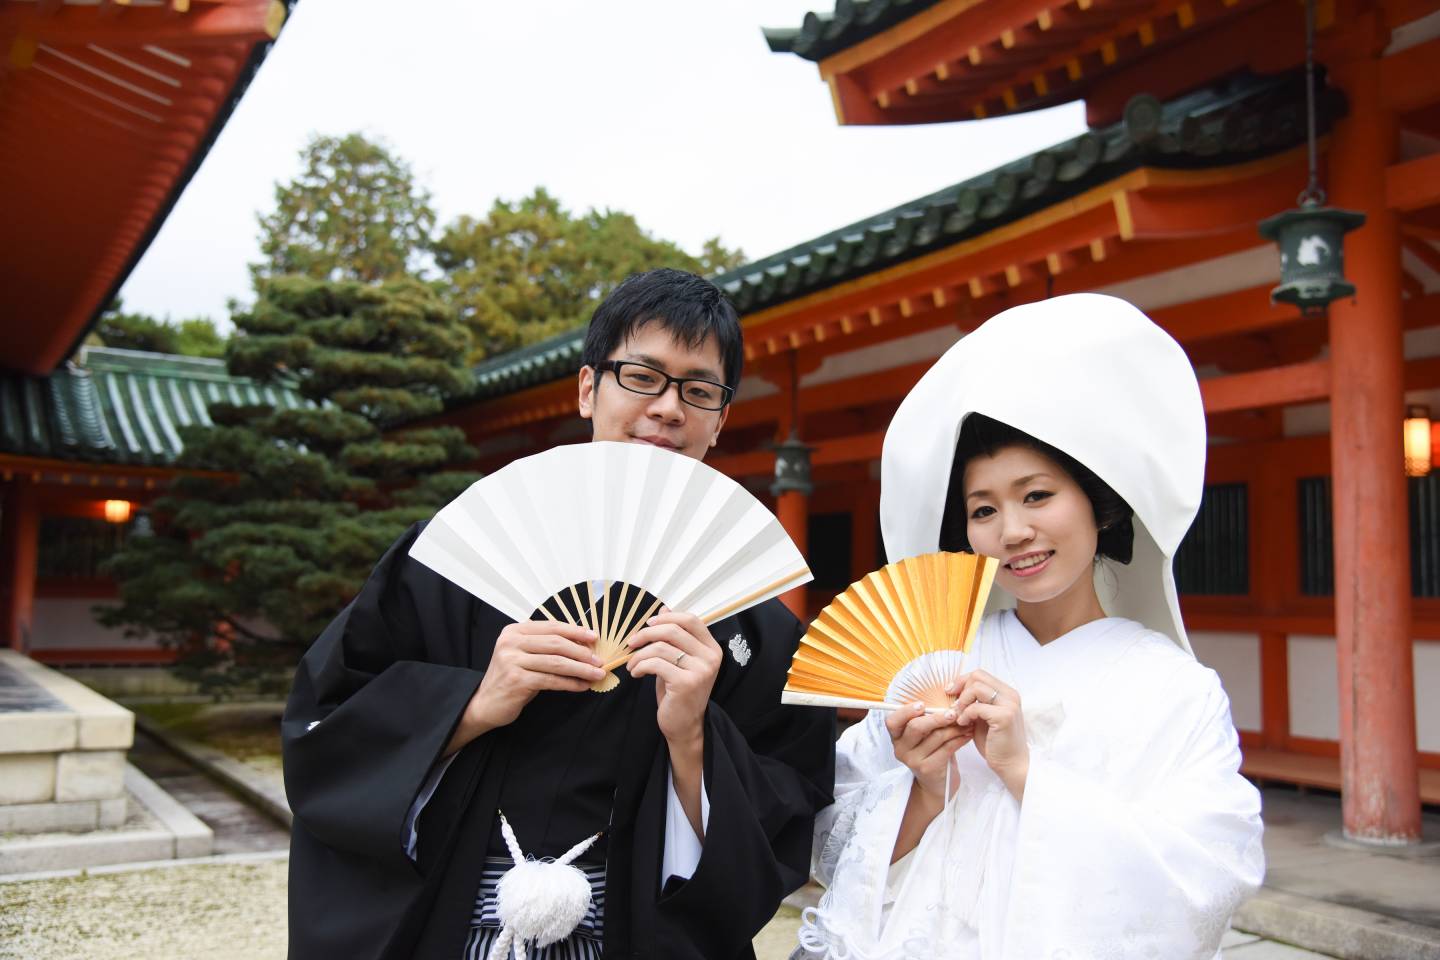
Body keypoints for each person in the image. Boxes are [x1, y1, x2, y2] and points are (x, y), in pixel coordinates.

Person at [283, 268, 836, 960]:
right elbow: (327, 726)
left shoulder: (754, 625)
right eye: (642, 376)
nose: (668, 408)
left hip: (634, 931)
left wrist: (694, 736)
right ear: (587, 388)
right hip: (454, 922)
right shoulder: (458, 558)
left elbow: (789, 812)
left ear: (720, 419)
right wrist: (475, 703)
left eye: (699, 390)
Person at [794, 293, 1265, 960]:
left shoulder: (1176, 691)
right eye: (983, 509)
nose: (1012, 531)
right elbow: (830, 843)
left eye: (1037, 495)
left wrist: (1024, 772)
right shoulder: (936, 664)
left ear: (1098, 506)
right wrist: (924, 792)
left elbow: (1209, 877)